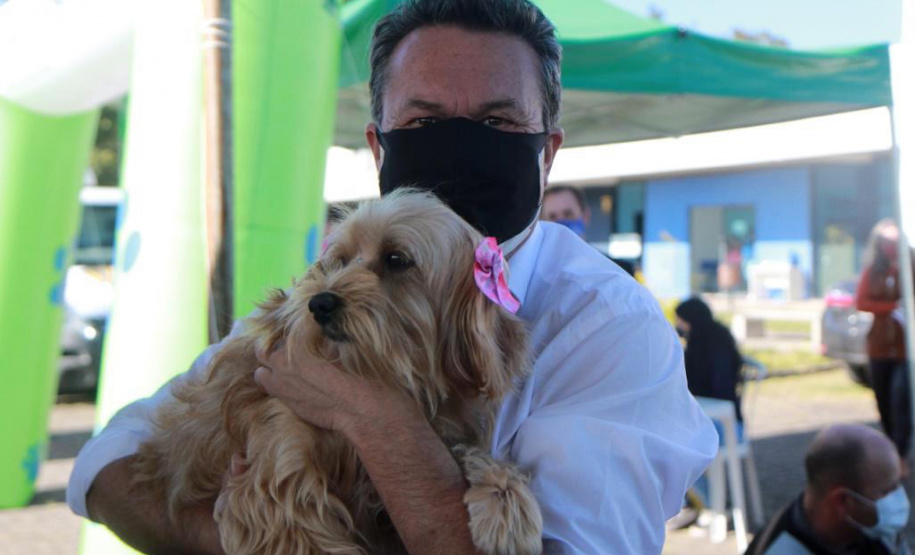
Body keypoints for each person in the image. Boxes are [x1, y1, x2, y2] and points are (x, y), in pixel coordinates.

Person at [66, 1, 718, 553]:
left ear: (547, 152)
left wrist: (374, 421)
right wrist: (231, 534)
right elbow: (105, 466)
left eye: (496, 122)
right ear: (379, 149)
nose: (458, 144)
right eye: (423, 122)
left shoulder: (607, 327)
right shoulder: (321, 296)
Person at [746, 424, 911, 555]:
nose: (898, 497)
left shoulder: (873, 528)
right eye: (887, 490)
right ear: (843, 500)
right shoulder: (782, 550)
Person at [856, 219, 913, 463]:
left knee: (901, 398)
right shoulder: (872, 271)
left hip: (904, 348)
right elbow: (861, 302)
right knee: (884, 401)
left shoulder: (909, 266)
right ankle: (890, 448)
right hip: (879, 346)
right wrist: (891, 307)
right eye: (886, 241)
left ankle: (899, 453)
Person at [675, 297, 744, 431]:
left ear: (691, 320)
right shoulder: (719, 334)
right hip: (728, 414)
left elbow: (696, 381)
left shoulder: (702, 345)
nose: (678, 326)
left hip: (718, 421)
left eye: (681, 321)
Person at [541, 184, 638, 277]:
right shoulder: (538, 276)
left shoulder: (619, 271)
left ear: (585, 216)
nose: (561, 222)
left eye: (568, 214)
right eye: (552, 217)